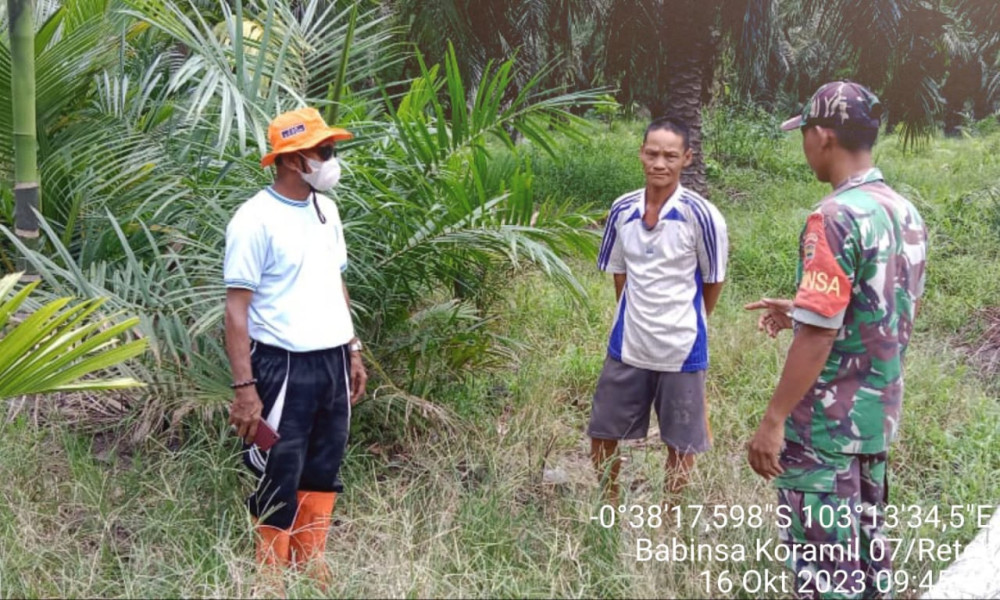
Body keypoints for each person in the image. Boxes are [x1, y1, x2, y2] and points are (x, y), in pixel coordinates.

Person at [745, 81, 928, 598]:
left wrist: (773, 420)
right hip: (874, 423)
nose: (804, 146)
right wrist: (802, 307)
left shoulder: (833, 217)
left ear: (823, 135)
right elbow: (881, 308)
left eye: (805, 134)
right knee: (869, 567)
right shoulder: (903, 212)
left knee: (826, 575)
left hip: (824, 432)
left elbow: (820, 337)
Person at [223, 107, 368, 589]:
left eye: (332, 150)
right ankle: (270, 575)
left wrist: (352, 347)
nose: (332, 160)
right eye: (323, 152)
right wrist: (245, 387)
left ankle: (310, 564)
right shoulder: (254, 219)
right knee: (278, 467)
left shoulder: (327, 211)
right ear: (291, 160)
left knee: (325, 463)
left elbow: (335, 282)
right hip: (281, 368)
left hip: (331, 361)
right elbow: (236, 311)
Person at [589, 116, 729, 508]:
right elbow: (619, 271)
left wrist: (689, 321)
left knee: (681, 443)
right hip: (628, 342)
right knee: (602, 431)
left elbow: (713, 281)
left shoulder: (702, 216)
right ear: (641, 154)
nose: (660, 163)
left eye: (670, 155)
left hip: (681, 347)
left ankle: (669, 518)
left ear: (687, 157)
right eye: (652, 153)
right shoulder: (621, 210)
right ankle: (609, 509)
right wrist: (633, 313)